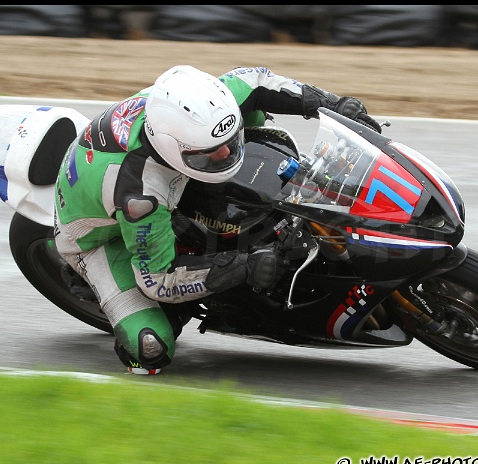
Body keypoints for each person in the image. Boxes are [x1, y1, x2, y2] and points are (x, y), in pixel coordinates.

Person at [53, 65, 382, 374]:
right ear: (175, 149)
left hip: (163, 177)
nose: (226, 154)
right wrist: (244, 266)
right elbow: (157, 280)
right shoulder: (141, 195)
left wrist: (333, 104)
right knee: (150, 349)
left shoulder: (204, 113)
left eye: (228, 143)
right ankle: (97, 284)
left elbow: (256, 80)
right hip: (99, 239)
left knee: (248, 126)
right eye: (212, 152)